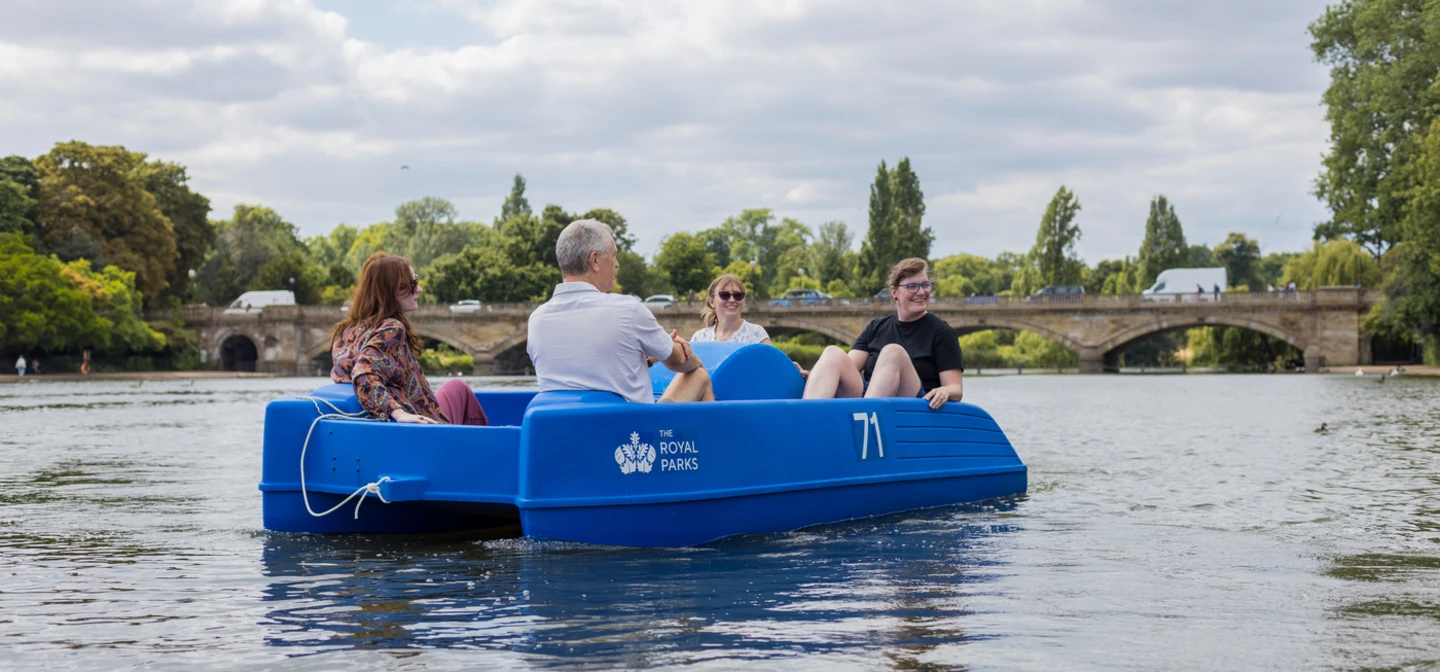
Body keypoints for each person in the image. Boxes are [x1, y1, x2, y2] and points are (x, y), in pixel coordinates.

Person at [528, 219, 713, 403]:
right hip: (630, 430)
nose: (617, 264)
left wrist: (646, 360)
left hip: (562, 430)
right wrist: (687, 355)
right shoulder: (628, 310)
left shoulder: (536, 320)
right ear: (594, 261)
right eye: (613, 255)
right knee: (699, 376)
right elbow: (677, 361)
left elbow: (588, 372)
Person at [330, 252, 488, 425]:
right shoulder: (391, 328)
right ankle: (487, 446)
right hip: (427, 429)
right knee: (459, 388)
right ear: (391, 290)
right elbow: (363, 375)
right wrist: (398, 413)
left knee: (456, 387)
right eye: (412, 284)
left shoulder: (345, 330)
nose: (419, 289)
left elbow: (353, 374)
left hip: (400, 422)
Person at [803, 258, 964, 410]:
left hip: (915, 408)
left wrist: (946, 391)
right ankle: (807, 422)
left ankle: (865, 425)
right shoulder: (876, 327)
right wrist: (817, 375)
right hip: (870, 399)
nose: (922, 292)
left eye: (926, 285)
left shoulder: (942, 332)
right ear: (894, 292)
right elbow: (846, 366)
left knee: (893, 352)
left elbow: (955, 388)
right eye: (912, 286)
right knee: (832, 354)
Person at [691, 274, 771, 344]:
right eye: (725, 295)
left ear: (744, 300)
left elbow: (772, 361)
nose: (732, 300)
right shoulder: (699, 338)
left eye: (738, 295)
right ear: (712, 302)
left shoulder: (756, 335)